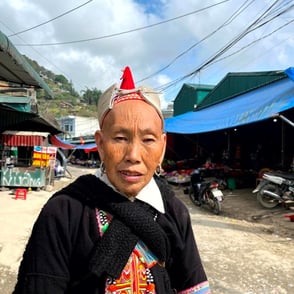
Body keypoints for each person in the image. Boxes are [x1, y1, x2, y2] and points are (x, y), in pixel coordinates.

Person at [13, 66, 211, 294]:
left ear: (163, 146)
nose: (134, 156)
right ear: (100, 143)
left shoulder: (174, 212)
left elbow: (193, 287)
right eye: (120, 138)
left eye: (148, 139)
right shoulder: (64, 211)